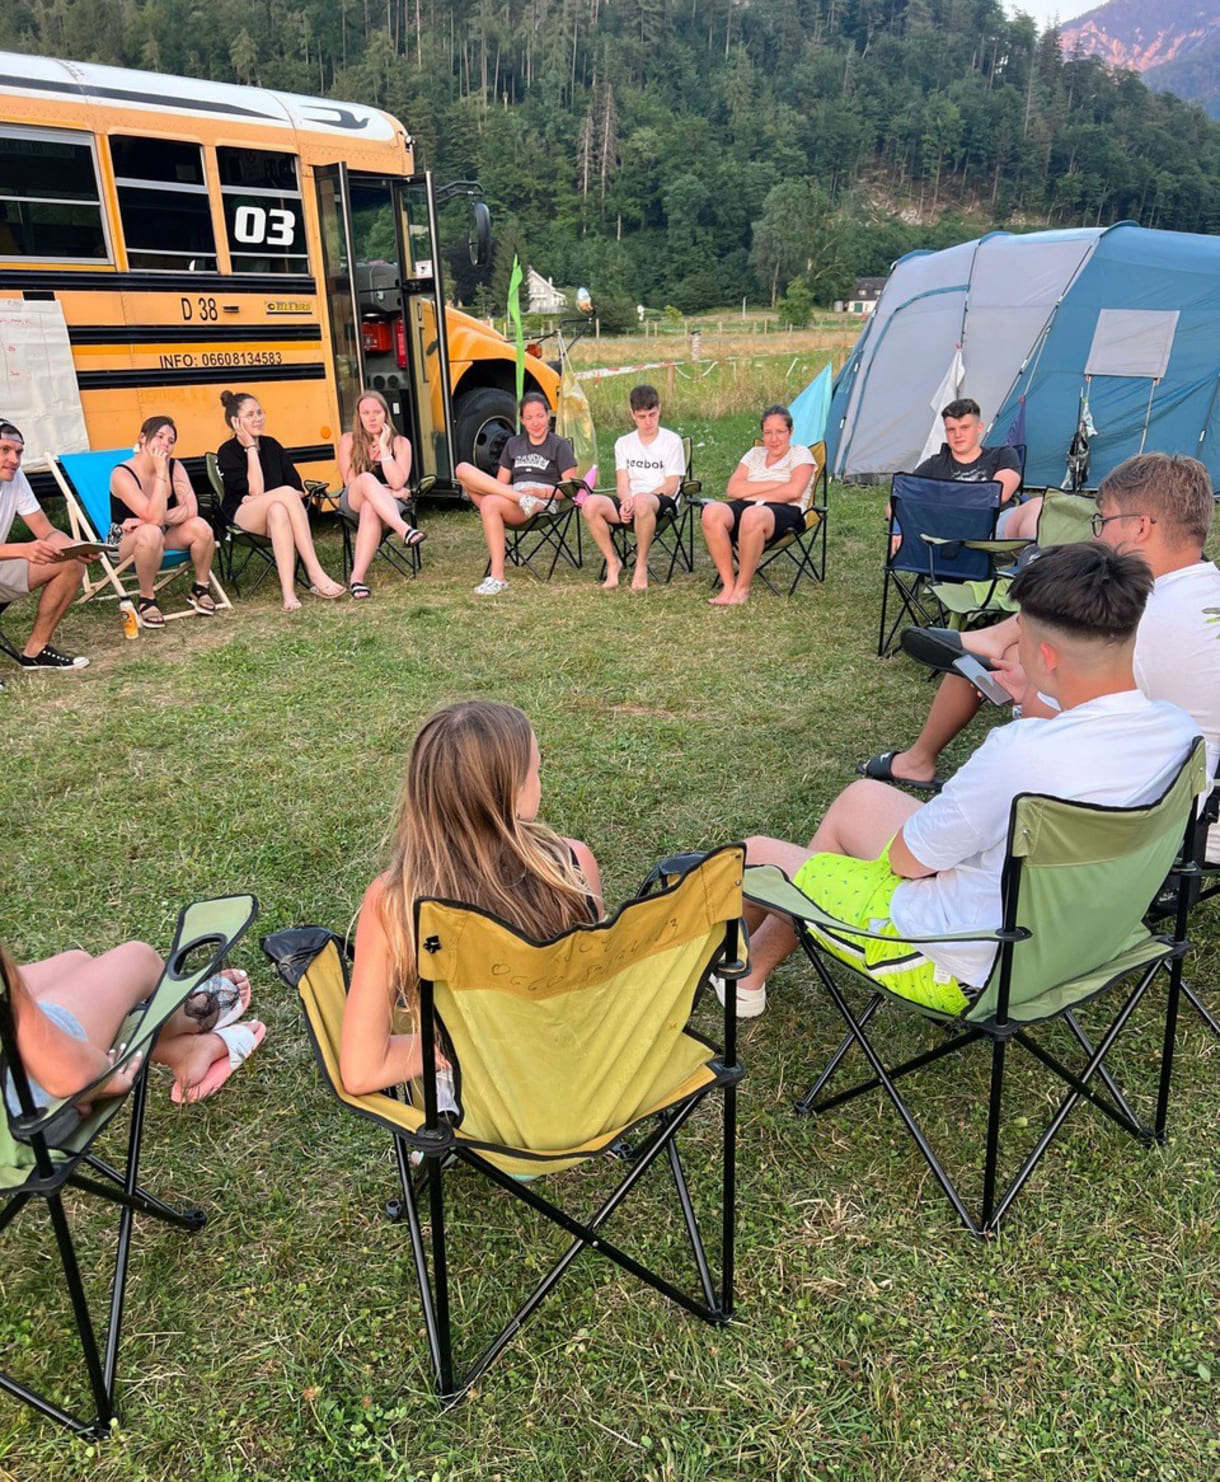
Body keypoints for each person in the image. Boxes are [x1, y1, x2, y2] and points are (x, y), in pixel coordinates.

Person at [731, 543, 1200, 1018]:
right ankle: (750, 978)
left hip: (962, 963)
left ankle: (735, 972)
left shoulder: (1021, 752)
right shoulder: (1181, 734)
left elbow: (907, 861)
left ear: (1045, 656)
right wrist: (1040, 700)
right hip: (1080, 943)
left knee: (753, 856)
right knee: (861, 799)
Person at [859, 453, 1220, 868]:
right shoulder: (1201, 595)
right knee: (1025, 654)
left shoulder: (1142, 621)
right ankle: (990, 651)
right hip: (1182, 799)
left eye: (1103, 521)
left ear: (1140, 526)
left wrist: (1026, 695)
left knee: (858, 807)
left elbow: (1057, 725)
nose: (1098, 537)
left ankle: (927, 745)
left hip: (1141, 833)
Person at [339, 701, 602, 1096]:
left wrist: (451, 1040)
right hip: (587, 1087)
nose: (540, 780)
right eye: (536, 769)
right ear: (510, 793)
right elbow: (596, 995)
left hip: (480, 1117)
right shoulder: (572, 865)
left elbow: (362, 1070)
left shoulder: (397, 901)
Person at [2, 940, 264, 1112]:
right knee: (139, 959)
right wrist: (96, 1081)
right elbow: (73, 1077)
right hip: (22, 1105)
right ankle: (188, 1019)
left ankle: (184, 1052)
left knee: (75, 963)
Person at [214, 391, 345, 612]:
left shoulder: (273, 445)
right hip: (242, 517)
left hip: (276, 519)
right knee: (283, 494)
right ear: (235, 422)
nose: (258, 418)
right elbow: (254, 491)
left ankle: (289, 595)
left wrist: (273, 498)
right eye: (250, 415)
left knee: (278, 509)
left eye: (259, 412)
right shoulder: (227, 451)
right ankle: (315, 572)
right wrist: (250, 449)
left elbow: (298, 489)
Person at [454, 392, 577, 597]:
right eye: (529, 418)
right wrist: (518, 495)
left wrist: (541, 492)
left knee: (490, 503)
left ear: (548, 416)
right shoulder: (513, 444)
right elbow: (500, 484)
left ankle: (498, 577)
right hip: (515, 497)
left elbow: (571, 488)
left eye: (539, 416)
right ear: (521, 420)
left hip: (542, 503)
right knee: (462, 469)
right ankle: (521, 499)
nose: (535, 422)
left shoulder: (559, 445)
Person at [0, 417, 92, 678]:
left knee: (70, 563)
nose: (14, 460)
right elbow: (26, 547)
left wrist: (76, 546)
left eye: (18, 452)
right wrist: (23, 549)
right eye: (4, 450)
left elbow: (46, 530)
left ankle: (35, 651)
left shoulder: (15, 479)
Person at [108, 415, 218, 627]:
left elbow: (192, 509)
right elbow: (154, 519)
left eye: (171, 440)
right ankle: (147, 598)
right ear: (142, 438)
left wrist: (147, 519)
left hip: (160, 532)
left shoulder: (175, 467)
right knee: (151, 532)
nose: (165, 444)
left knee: (201, 527)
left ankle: (200, 588)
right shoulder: (122, 473)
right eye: (159, 437)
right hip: (125, 542)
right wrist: (160, 473)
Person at [701, 405, 816, 606]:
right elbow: (733, 489)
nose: (774, 439)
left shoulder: (801, 454)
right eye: (768, 432)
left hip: (786, 510)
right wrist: (775, 484)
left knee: (753, 514)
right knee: (711, 511)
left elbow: (794, 492)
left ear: (791, 432)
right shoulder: (754, 454)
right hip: (747, 505)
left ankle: (742, 588)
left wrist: (753, 489)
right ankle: (728, 585)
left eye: (780, 432)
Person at [582, 384, 685, 591]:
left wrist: (637, 499)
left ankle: (641, 564)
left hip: (662, 500)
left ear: (660, 410)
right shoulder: (623, 443)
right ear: (632, 415)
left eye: (652, 415)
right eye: (642, 416)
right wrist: (626, 500)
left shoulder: (672, 441)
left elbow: (672, 484)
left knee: (641, 502)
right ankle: (613, 562)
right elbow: (622, 483)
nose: (648, 422)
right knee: (590, 503)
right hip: (630, 499)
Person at [337, 391, 426, 600]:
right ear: (358, 416)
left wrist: (385, 450)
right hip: (354, 501)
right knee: (367, 480)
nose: (371, 417)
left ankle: (356, 579)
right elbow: (351, 481)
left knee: (371, 507)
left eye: (377, 412)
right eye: (365, 413)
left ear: (386, 414)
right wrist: (390, 491)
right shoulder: (348, 440)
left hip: (385, 507)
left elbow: (397, 481)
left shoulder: (401, 443)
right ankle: (404, 530)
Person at [911, 397, 1030, 537]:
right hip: (945, 529)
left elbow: (999, 494)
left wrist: (942, 498)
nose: (958, 435)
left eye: (965, 427)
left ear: (979, 427)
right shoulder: (933, 465)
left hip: (995, 524)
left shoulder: (1002, 455)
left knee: (1037, 506)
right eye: (951, 430)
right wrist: (898, 527)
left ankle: (1037, 556)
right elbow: (897, 500)